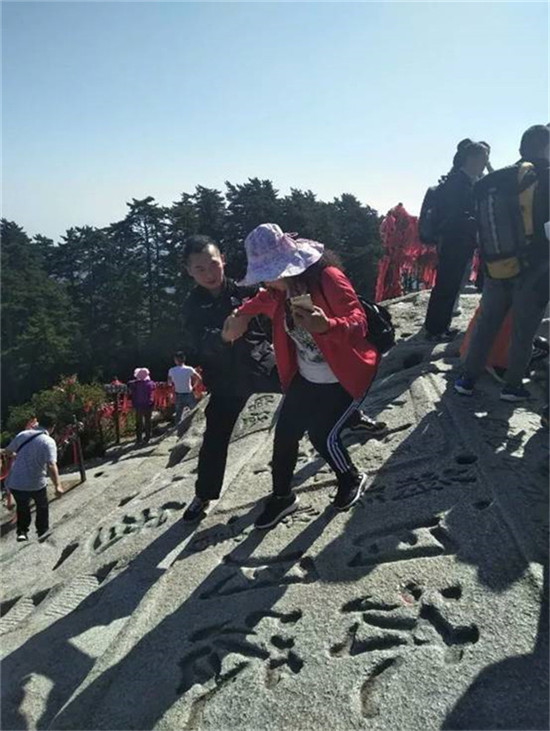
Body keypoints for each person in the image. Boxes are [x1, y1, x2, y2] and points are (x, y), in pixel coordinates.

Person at [222, 223, 380, 530]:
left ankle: (350, 476)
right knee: (284, 435)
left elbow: (358, 321)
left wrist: (328, 326)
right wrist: (240, 315)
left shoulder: (326, 278)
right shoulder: (278, 292)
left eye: (270, 273)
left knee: (322, 435)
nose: (266, 280)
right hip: (306, 378)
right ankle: (282, 497)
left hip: (345, 376)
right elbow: (257, 302)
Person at [181, 235, 281, 523]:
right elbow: (196, 346)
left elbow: (274, 314)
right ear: (189, 271)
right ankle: (204, 495)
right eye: (200, 269)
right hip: (225, 378)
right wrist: (223, 338)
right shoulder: (191, 306)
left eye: (213, 264)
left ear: (223, 259)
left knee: (305, 389)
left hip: (261, 362)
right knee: (215, 437)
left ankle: (349, 420)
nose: (209, 273)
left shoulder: (245, 288)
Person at [455, 124, 550, 401]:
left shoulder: (494, 179)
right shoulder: (544, 176)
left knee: (487, 323)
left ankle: (467, 379)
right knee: (523, 330)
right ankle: (512, 386)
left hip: (496, 263)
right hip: (535, 267)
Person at [424, 141, 490, 341]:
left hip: (458, 240)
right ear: (472, 159)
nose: (485, 164)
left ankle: (441, 326)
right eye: (483, 159)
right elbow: (454, 215)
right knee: (446, 285)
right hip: (454, 239)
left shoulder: (462, 180)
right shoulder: (458, 183)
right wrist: (475, 222)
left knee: (451, 285)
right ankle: (435, 329)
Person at [2, 413, 63, 542]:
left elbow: (8, 451)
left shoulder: (23, 435)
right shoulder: (49, 442)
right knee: (42, 506)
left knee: (22, 507)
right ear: (52, 426)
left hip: (17, 482)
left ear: (39, 423)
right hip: (36, 483)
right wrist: (58, 485)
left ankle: (22, 532)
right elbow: (51, 465)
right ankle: (42, 531)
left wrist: (17, 455)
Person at [167, 352, 201, 423]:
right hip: (189, 392)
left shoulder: (171, 370)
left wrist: (171, 394)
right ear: (184, 359)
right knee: (194, 411)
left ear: (176, 360)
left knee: (178, 414)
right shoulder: (189, 369)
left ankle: (178, 428)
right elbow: (199, 378)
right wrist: (194, 386)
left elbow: (169, 383)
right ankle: (194, 424)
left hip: (178, 393)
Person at [127, 368, 156, 443]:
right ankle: (147, 437)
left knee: (139, 422)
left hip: (138, 405)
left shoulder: (134, 384)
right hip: (148, 405)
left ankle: (139, 438)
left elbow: (129, 385)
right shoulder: (151, 383)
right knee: (148, 422)